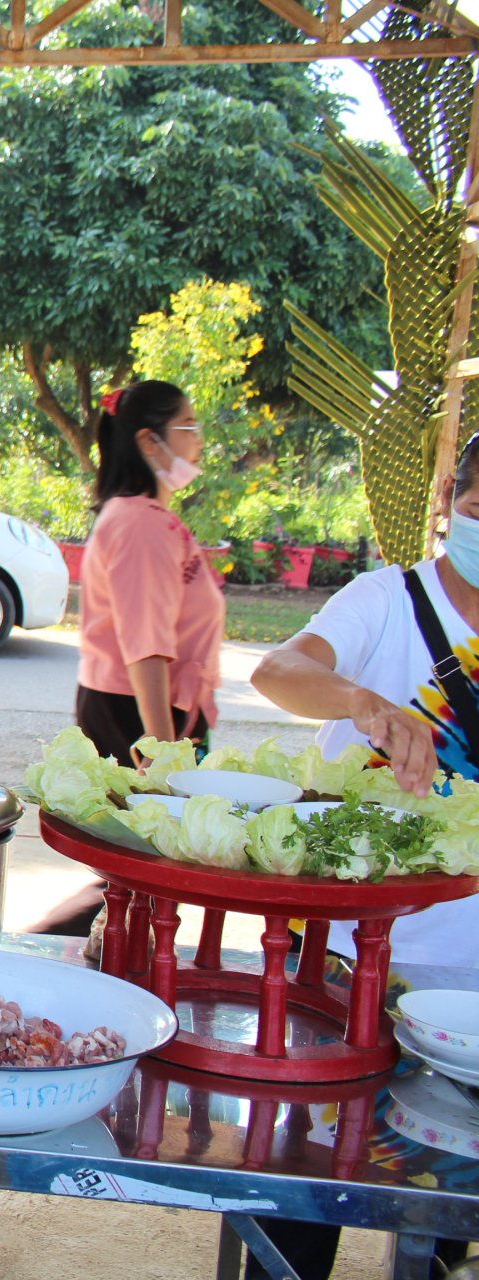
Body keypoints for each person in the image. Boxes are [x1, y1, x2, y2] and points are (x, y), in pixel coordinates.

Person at [241, 442, 479, 1280]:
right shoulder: (387, 600)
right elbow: (279, 669)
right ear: (450, 496)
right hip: (354, 959)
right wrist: (363, 703)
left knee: (448, 1200)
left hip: (471, 980)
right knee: (313, 1177)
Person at [33, 379, 222, 936]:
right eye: (188, 426)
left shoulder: (146, 517)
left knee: (140, 875)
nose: (199, 439)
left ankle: (98, 960)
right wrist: (162, 751)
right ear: (148, 441)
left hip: (142, 705)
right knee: (139, 871)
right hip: (137, 710)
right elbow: (146, 644)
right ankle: (46, 950)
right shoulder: (140, 522)